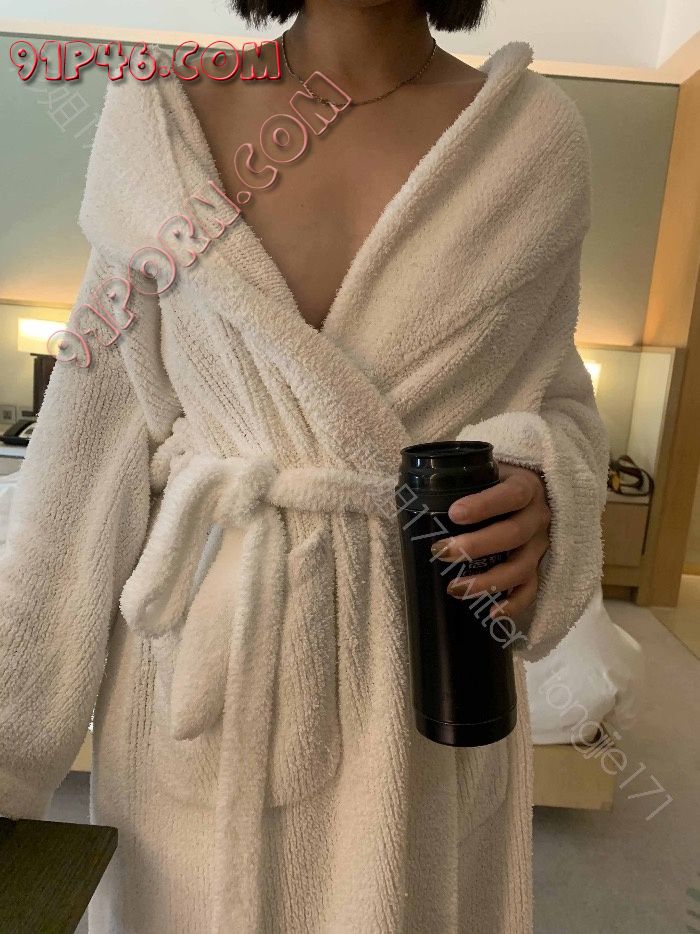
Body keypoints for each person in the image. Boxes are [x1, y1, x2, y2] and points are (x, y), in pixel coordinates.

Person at [0, 1, 609, 931]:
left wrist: (548, 487)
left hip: (420, 686)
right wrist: (9, 755)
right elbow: (81, 460)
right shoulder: (164, 121)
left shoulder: (531, 140)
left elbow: (556, 397)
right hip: (199, 691)